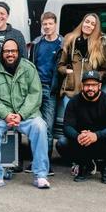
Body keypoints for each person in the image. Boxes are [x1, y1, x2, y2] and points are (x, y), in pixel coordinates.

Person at [0, 38, 51, 190]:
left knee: (40, 126)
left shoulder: (29, 68)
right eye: (6, 51)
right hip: (0, 116)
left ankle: (40, 175)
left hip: (25, 115)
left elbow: (35, 94)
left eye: (13, 51)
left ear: (18, 52)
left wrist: (21, 115)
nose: (10, 54)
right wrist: (6, 114)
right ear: (2, 53)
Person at [57, 12, 106, 177]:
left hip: (89, 94)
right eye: (87, 21)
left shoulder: (99, 44)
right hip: (71, 91)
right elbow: (60, 65)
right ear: (82, 22)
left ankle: (88, 159)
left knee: (88, 127)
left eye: (93, 24)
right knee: (72, 129)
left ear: (96, 27)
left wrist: (95, 79)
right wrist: (68, 71)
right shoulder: (70, 40)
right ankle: (77, 161)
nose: (89, 25)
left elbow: (105, 69)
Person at [57, 70, 106, 183]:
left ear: (99, 86)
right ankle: (84, 165)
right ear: (82, 85)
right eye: (87, 85)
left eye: (93, 85)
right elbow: (67, 127)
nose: (90, 88)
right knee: (62, 142)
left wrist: (96, 135)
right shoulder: (74, 102)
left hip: (102, 142)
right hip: (82, 143)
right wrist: (77, 136)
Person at [27, 11, 62, 173]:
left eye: (50, 24)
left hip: (50, 89)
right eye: (44, 24)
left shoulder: (62, 44)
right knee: (33, 124)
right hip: (35, 88)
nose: (47, 27)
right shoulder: (37, 43)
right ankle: (34, 161)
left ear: (55, 24)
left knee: (47, 127)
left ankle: (45, 164)